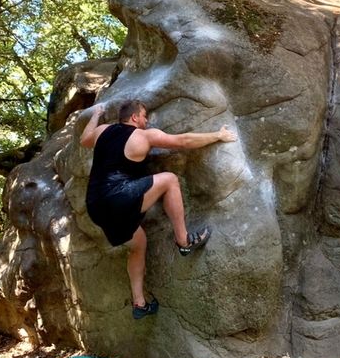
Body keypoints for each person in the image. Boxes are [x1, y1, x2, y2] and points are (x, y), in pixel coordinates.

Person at [80, 99, 237, 319]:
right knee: (170, 180)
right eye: (144, 116)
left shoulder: (102, 131)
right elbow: (182, 141)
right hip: (119, 199)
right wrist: (217, 136)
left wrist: (96, 114)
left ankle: (139, 303)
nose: (146, 120)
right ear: (134, 117)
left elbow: (84, 139)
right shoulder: (144, 136)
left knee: (138, 243)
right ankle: (184, 241)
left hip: (95, 206)